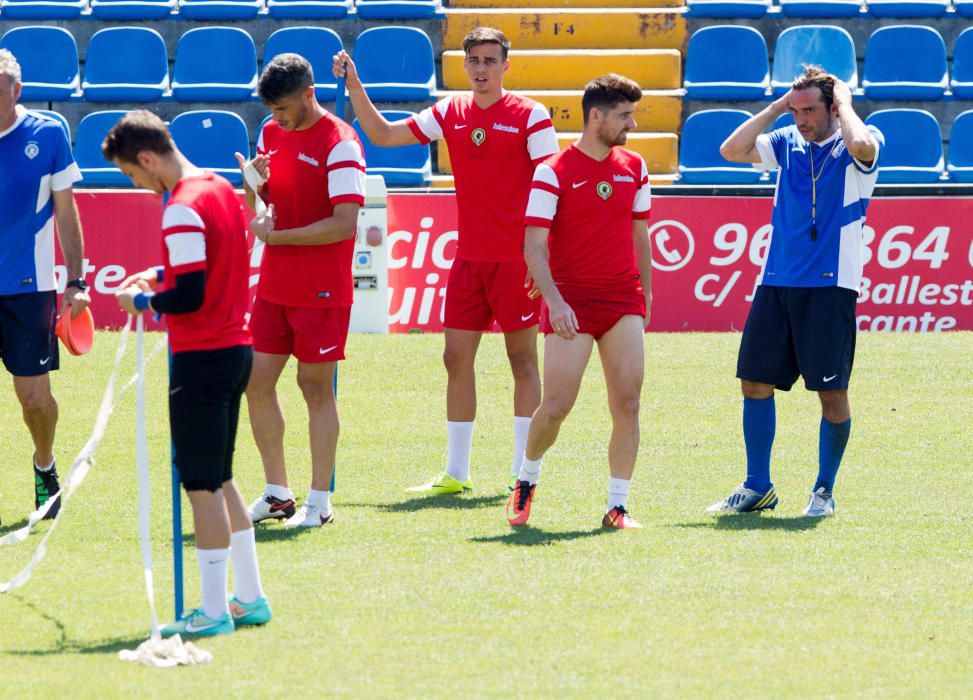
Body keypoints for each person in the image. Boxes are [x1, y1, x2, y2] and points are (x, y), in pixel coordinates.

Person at [333, 27, 559, 495]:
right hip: (469, 260)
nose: (480, 68)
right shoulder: (450, 111)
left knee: (522, 361)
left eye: (490, 60)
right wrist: (354, 83)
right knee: (455, 358)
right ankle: (457, 473)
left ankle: (524, 473)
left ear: (505, 65)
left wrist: (544, 257)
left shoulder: (531, 115)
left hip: (517, 261)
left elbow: (552, 185)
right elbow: (381, 133)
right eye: (473, 59)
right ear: (465, 64)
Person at [108, 111, 270, 637]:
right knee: (221, 478)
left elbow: (190, 293)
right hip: (235, 349)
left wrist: (143, 299)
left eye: (133, 175)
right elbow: (215, 260)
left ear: (148, 159)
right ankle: (249, 598)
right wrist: (157, 274)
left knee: (201, 486)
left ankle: (213, 610)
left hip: (203, 356)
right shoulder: (219, 187)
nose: (137, 185)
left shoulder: (179, 208)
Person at [707, 65, 883, 517]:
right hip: (777, 282)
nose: (801, 118)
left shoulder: (858, 139)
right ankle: (757, 485)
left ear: (831, 107)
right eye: (796, 109)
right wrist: (776, 107)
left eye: (809, 110)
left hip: (830, 287)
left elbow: (864, 146)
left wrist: (844, 103)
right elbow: (731, 149)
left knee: (832, 393)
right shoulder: (785, 141)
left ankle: (823, 489)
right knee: (754, 383)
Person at [506, 74, 652, 529]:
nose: (630, 124)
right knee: (556, 408)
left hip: (621, 300)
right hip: (571, 302)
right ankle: (526, 478)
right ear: (596, 117)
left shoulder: (636, 166)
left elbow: (640, 234)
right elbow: (533, 246)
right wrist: (555, 301)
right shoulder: (553, 171)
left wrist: (644, 296)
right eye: (624, 115)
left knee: (627, 404)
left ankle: (617, 506)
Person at [237, 54, 365, 528]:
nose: (278, 119)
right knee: (256, 382)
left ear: (310, 94)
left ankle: (319, 502)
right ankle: (277, 494)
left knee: (315, 389)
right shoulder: (271, 135)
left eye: (284, 109)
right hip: (274, 284)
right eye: (272, 110)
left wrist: (279, 237)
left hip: (322, 290)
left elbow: (344, 223)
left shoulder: (342, 143)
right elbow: (263, 208)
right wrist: (253, 186)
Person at [0, 49, 90, 523]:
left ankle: (44, 464)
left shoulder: (48, 133)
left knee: (34, 399)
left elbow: (67, 213)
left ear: (16, 90)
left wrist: (75, 281)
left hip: (28, 286)